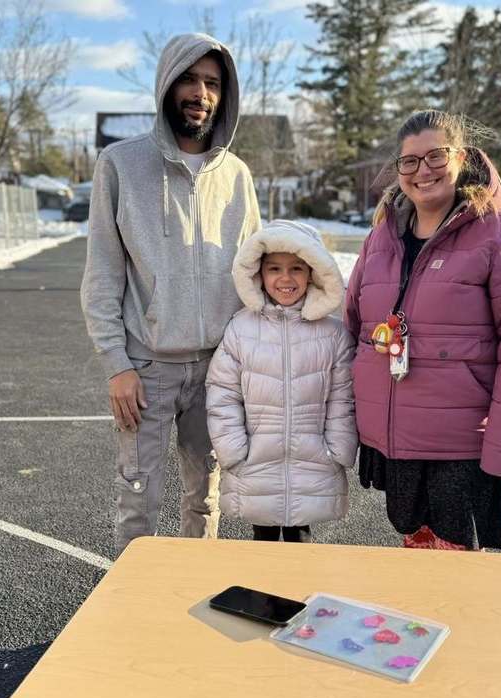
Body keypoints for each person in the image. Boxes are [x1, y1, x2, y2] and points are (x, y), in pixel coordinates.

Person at [82, 33, 261, 558]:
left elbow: (254, 274)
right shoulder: (119, 165)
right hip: (146, 371)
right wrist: (117, 365)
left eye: (211, 83)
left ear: (224, 96)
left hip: (218, 370)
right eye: (188, 78)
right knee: (139, 499)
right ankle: (129, 613)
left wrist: (250, 360)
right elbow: (102, 277)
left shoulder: (238, 176)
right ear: (166, 83)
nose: (200, 93)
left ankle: (193, 599)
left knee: (206, 500)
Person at [344, 109, 501, 551]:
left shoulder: (499, 234)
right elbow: (353, 325)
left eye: (435, 157)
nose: (423, 171)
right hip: (397, 438)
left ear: (461, 157)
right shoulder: (382, 235)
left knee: (462, 581)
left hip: (461, 450)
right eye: (410, 161)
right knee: (416, 562)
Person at [206, 220, 356, 543]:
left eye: (296, 269)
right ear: (259, 274)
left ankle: (297, 596)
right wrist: (234, 451)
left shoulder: (332, 334)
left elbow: (343, 398)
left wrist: (338, 448)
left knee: (301, 550)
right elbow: (222, 394)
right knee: (263, 555)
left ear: (313, 273)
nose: (285, 279)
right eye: (274, 268)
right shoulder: (241, 329)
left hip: (313, 461)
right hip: (256, 463)